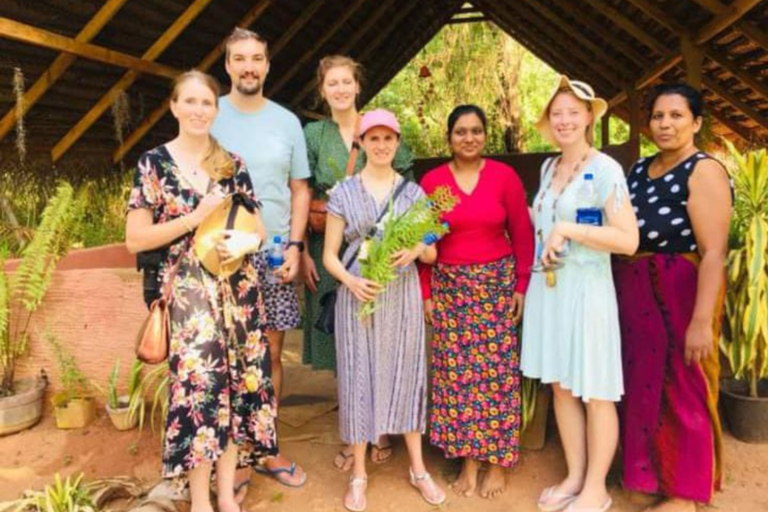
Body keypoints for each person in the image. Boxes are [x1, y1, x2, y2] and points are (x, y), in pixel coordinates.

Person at [126, 70, 276, 512]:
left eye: (206, 103)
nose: (197, 110)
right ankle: (199, 500)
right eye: (188, 102)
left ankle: (226, 497)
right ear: (173, 107)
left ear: (216, 109)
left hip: (239, 291)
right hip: (190, 293)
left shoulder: (232, 163)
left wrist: (248, 241)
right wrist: (195, 218)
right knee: (200, 391)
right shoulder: (153, 163)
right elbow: (136, 238)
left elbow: (259, 228)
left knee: (236, 391)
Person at [521, 75, 639, 512]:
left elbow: (627, 240)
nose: (565, 120)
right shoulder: (549, 168)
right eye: (557, 113)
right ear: (548, 122)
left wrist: (569, 229)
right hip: (549, 289)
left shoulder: (607, 169)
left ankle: (596, 488)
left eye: (574, 112)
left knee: (596, 389)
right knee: (562, 386)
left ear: (590, 116)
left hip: (587, 292)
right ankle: (574, 475)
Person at [613, 83, 731, 512]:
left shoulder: (704, 170)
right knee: (642, 383)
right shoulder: (640, 170)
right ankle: (649, 474)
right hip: (637, 291)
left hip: (681, 292)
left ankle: (686, 491)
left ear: (696, 122)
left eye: (676, 115)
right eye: (659, 116)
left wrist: (701, 320)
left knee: (685, 385)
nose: (665, 124)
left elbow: (714, 252)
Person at [323, 109, 446, 512]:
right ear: (360, 143)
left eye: (388, 138)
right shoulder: (343, 191)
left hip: (401, 293)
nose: (380, 145)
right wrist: (351, 281)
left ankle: (418, 468)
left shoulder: (412, 194)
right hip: (358, 294)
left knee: (406, 374)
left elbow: (431, 250)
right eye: (372, 139)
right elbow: (329, 256)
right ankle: (358, 474)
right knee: (358, 375)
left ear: (397, 143)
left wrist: (416, 248)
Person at [302, 55, 413, 470]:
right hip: (332, 245)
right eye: (333, 83)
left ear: (357, 86)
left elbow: (407, 190)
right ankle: (355, 429)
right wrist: (299, 248)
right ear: (323, 89)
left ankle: (381, 426)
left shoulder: (380, 126)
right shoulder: (314, 134)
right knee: (340, 340)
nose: (341, 89)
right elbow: (302, 187)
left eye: (347, 81)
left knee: (379, 338)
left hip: (381, 246)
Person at [419, 105, 534, 499]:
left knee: (497, 375)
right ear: (448, 138)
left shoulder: (504, 177)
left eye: (476, 131)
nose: (469, 138)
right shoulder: (433, 182)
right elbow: (424, 242)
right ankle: (468, 461)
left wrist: (520, 285)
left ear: (485, 135)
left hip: (496, 287)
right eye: (460, 132)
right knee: (458, 376)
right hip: (450, 286)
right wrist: (426, 293)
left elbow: (522, 232)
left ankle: (498, 462)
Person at [210, 27, 308, 487]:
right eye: (239, 58)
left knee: (270, 352)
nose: (249, 66)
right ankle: (232, 456)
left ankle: (266, 449)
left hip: (272, 257)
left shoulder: (288, 122)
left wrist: (296, 245)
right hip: (221, 256)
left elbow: (299, 189)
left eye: (257, 58)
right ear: (227, 65)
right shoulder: (209, 116)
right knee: (225, 356)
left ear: (268, 65)